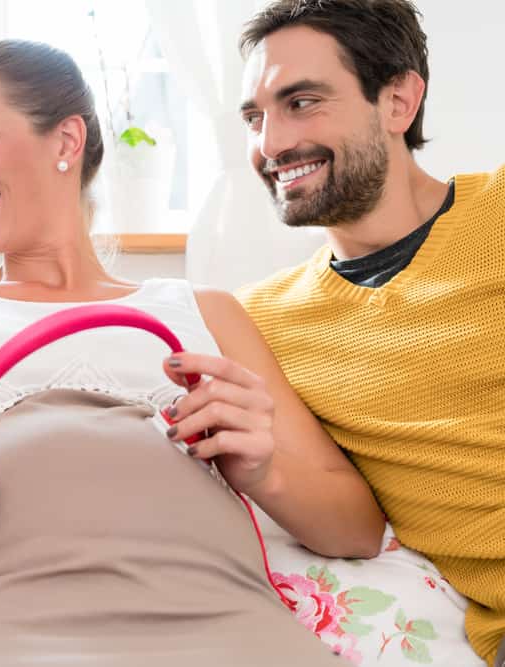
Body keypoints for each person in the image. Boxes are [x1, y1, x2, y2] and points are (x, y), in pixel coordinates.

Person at [0, 40, 383, 666]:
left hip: (215, 619)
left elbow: (358, 527)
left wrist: (265, 472)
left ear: (66, 142)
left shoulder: (205, 312)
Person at [233, 1, 505, 665]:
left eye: (301, 101)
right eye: (255, 116)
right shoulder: (259, 321)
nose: (270, 144)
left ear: (398, 101)